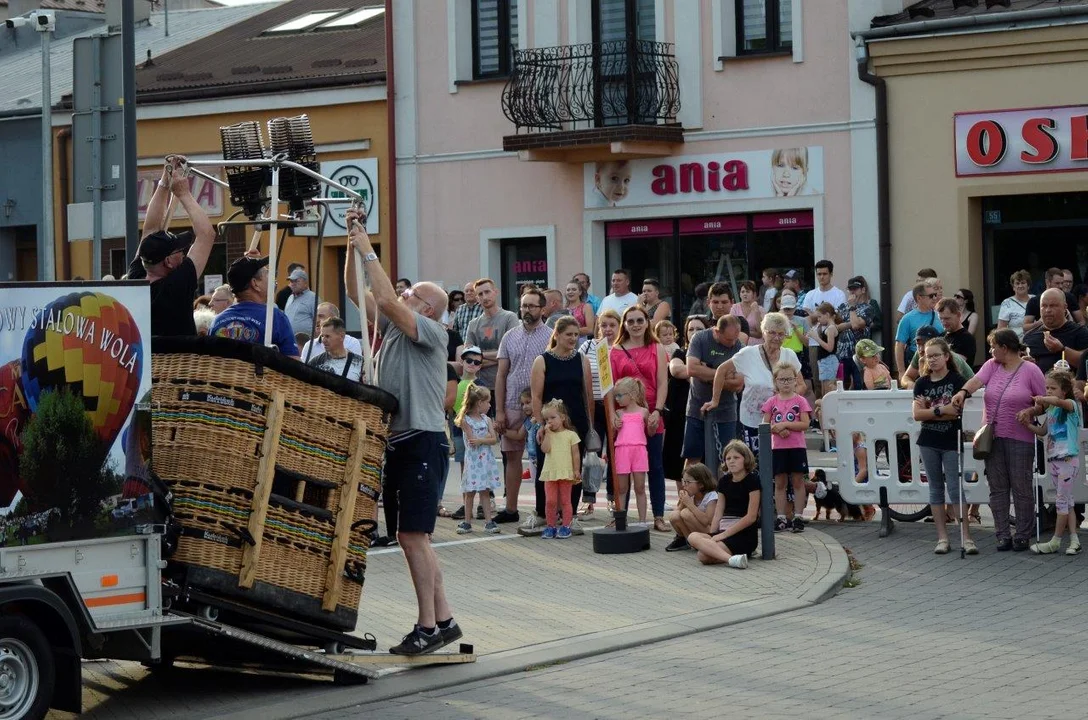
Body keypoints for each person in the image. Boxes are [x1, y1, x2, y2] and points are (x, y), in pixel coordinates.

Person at [344, 208, 459, 655]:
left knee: (413, 537)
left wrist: (368, 246)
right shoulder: (395, 326)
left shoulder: (430, 329)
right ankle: (444, 620)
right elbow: (363, 291)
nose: (404, 293)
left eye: (412, 292)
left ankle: (427, 627)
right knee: (417, 538)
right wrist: (353, 236)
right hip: (404, 440)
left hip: (423, 439)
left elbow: (387, 300)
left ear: (426, 308)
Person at [951, 329, 1046, 553]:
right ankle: (1002, 535)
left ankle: (1022, 535)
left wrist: (1031, 410)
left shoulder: (1031, 370)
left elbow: (1043, 402)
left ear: (1005, 347)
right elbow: (976, 381)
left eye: (994, 346)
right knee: (998, 488)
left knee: (1022, 487)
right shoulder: (992, 365)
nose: (991, 351)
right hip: (992, 437)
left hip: (1020, 436)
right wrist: (963, 392)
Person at [527, 317, 593, 536]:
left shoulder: (581, 359)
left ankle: (570, 517)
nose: (573, 338)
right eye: (569, 334)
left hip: (575, 425)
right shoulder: (542, 360)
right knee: (547, 470)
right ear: (557, 334)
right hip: (550, 424)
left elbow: (587, 394)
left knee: (573, 470)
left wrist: (590, 424)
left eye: (576, 334)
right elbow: (536, 397)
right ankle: (543, 515)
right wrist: (539, 424)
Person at [135, 156, 216, 336]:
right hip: (179, 362)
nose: (184, 253)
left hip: (147, 361)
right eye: (180, 250)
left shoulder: (136, 278)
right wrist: (184, 194)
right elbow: (206, 235)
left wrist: (166, 178)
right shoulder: (176, 285)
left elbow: (150, 229)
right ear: (169, 262)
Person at [702, 312, 802, 456]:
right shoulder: (748, 354)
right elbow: (721, 370)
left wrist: (786, 397)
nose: (776, 338)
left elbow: (801, 385)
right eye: (772, 333)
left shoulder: (789, 355)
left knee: (777, 466)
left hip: (781, 422)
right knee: (754, 464)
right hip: (751, 421)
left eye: (781, 334)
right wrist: (715, 400)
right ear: (763, 332)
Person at [912, 338, 975, 555]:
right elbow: (917, 414)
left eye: (937, 355)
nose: (933, 359)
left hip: (951, 439)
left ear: (946, 356)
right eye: (929, 356)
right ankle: (942, 537)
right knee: (935, 488)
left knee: (956, 488)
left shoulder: (956, 380)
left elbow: (956, 411)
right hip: (928, 441)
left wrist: (932, 413)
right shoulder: (922, 383)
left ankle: (966, 536)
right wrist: (940, 411)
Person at [493, 287, 552, 525]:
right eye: (524, 305)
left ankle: (545, 509)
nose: (527, 310)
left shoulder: (550, 336)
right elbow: (500, 375)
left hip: (541, 405)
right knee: (512, 456)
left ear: (542, 308)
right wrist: (498, 410)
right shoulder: (509, 336)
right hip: (512, 403)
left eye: (532, 306)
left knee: (543, 458)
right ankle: (511, 508)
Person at [609, 305, 670, 532]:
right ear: (624, 324)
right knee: (621, 469)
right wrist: (613, 414)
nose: (635, 325)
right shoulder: (615, 351)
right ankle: (620, 516)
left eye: (639, 320)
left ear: (647, 322)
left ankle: (659, 515)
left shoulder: (656, 348)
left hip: (652, 412)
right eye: (630, 321)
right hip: (623, 416)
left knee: (654, 465)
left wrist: (658, 411)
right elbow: (610, 388)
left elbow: (663, 381)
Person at [1025, 367, 1082, 555]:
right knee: (1068, 502)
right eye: (1046, 388)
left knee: (1061, 503)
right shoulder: (1051, 411)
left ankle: (1055, 541)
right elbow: (1042, 432)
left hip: (1068, 460)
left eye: (1052, 388)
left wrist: (1044, 400)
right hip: (1054, 461)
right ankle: (1074, 540)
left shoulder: (1070, 406)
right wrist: (1026, 423)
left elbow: (1058, 402)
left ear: (1064, 390)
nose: (1048, 391)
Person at [685, 315, 744, 477]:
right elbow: (691, 369)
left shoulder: (739, 346)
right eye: (728, 340)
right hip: (697, 408)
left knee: (727, 459)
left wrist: (707, 372)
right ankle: (687, 496)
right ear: (717, 332)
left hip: (726, 411)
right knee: (693, 457)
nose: (732, 344)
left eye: (735, 339)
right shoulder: (700, 339)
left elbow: (738, 383)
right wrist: (724, 374)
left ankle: (722, 498)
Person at [686, 440, 760, 569]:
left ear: (745, 459)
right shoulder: (724, 481)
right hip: (723, 530)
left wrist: (723, 535)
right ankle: (732, 560)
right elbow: (718, 512)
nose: (731, 461)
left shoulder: (752, 480)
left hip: (743, 533)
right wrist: (714, 534)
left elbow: (751, 517)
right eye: (728, 458)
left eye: (736, 457)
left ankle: (735, 556)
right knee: (693, 536)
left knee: (703, 556)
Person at [210, 255, 300, 358]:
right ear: (255, 284)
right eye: (267, 274)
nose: (272, 279)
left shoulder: (217, 321)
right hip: (260, 374)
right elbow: (293, 364)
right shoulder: (275, 318)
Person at [578, 309, 622, 516]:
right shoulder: (588, 346)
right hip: (592, 407)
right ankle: (589, 499)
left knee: (615, 454)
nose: (607, 329)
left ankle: (614, 499)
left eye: (612, 325)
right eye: (604, 325)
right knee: (591, 453)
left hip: (615, 408)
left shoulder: (621, 348)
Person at [761, 361, 812, 533]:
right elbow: (765, 425)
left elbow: (805, 423)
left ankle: (798, 516)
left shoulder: (800, 401)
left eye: (789, 379)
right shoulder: (771, 402)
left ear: (795, 381)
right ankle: (781, 516)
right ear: (775, 382)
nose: (786, 383)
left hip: (797, 447)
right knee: (780, 482)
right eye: (782, 380)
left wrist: (785, 425)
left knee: (798, 481)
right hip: (778, 448)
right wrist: (776, 429)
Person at [664, 316, 707, 491]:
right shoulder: (680, 353)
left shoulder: (710, 352)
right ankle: (685, 499)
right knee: (679, 459)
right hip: (680, 414)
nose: (694, 333)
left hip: (705, 412)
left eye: (699, 329)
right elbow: (675, 369)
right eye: (691, 329)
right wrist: (701, 372)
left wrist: (692, 372)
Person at [441, 345, 483, 520]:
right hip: (458, 431)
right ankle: (467, 505)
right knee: (465, 468)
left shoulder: (480, 386)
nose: (472, 364)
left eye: (476, 361)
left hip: (476, 432)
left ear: (480, 365)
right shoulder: (456, 384)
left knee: (479, 466)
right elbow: (451, 409)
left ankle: (483, 503)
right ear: (462, 362)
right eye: (468, 360)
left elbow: (484, 409)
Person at [454, 385, 501, 535]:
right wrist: (485, 438)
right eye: (488, 402)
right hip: (473, 462)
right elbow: (471, 441)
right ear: (479, 403)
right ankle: (467, 521)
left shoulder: (486, 419)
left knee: (485, 491)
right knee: (470, 492)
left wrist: (483, 439)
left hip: (485, 461)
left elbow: (494, 439)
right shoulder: (465, 420)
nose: (489, 405)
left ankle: (489, 521)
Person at [464, 279, 519, 404]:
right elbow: (469, 357)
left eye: (487, 292)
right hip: (480, 388)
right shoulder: (473, 324)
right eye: (480, 294)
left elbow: (512, 353)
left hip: (506, 385)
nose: (484, 297)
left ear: (495, 292)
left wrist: (480, 357)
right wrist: (500, 357)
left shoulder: (509, 318)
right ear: (477, 298)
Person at [801, 260, 847, 397]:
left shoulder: (838, 294)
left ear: (831, 274)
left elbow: (838, 318)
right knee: (817, 380)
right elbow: (808, 319)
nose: (821, 277)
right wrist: (818, 317)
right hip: (815, 342)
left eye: (825, 274)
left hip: (832, 343)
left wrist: (815, 315)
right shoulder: (810, 295)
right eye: (819, 274)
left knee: (833, 382)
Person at [538, 399, 582, 539]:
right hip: (550, 471)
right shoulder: (548, 434)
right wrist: (547, 434)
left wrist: (576, 470)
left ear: (562, 417)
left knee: (565, 501)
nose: (549, 421)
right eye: (546, 419)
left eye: (553, 417)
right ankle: (550, 526)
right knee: (550, 501)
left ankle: (566, 526)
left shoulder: (571, 435)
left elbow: (576, 454)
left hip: (565, 471)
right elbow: (545, 449)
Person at [610, 376, 650, 525]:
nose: (617, 399)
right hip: (622, 451)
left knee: (640, 487)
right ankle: (620, 519)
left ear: (631, 395)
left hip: (639, 450)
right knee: (622, 488)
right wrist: (616, 426)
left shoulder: (644, 412)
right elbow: (613, 433)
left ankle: (642, 520)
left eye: (620, 395)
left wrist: (653, 423)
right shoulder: (619, 413)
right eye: (616, 396)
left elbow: (651, 431)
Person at [1021, 288, 1088, 375]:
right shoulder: (1029, 336)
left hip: (1069, 386)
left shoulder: (1080, 332)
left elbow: (1085, 364)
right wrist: (1022, 364)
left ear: (1065, 308)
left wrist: (1061, 350)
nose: (1048, 310)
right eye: (1044, 306)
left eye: (1053, 305)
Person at [664, 463, 719, 552]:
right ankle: (687, 541)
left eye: (688, 482)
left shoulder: (711, 496)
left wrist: (690, 504)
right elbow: (676, 514)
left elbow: (706, 521)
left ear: (701, 484)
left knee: (686, 513)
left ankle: (699, 543)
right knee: (675, 515)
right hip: (695, 530)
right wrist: (683, 501)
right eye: (683, 481)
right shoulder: (691, 495)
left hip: (709, 532)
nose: (684, 485)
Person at [901, 325, 975, 389]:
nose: (921, 349)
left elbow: (945, 386)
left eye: (924, 344)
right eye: (918, 344)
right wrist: (910, 384)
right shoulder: (919, 353)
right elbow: (906, 377)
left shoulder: (950, 358)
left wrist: (922, 377)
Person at [894, 282, 943, 377]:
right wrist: (901, 372)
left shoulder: (940, 315)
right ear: (919, 298)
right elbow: (899, 345)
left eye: (935, 295)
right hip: (916, 364)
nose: (934, 298)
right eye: (931, 296)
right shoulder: (907, 318)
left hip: (939, 363)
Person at [836, 276, 875, 389]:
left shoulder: (868, 308)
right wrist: (848, 324)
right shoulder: (842, 307)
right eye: (850, 289)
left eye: (855, 289)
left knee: (859, 385)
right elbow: (835, 327)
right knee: (841, 386)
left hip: (860, 356)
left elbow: (856, 325)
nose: (852, 292)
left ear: (863, 290)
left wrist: (852, 308)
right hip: (842, 355)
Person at [307, 317, 363, 382]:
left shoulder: (360, 362)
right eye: (322, 336)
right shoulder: (315, 363)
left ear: (341, 336)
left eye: (327, 336)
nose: (323, 340)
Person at [809, 302, 841, 399]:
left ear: (827, 315)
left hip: (829, 361)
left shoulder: (831, 328)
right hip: (825, 361)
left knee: (829, 391)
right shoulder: (827, 327)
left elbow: (830, 348)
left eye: (819, 317)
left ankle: (830, 412)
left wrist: (816, 337)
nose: (818, 320)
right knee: (824, 391)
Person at [939, 298, 977, 366]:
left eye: (947, 318)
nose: (943, 322)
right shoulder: (941, 336)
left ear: (958, 315)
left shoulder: (966, 338)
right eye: (941, 318)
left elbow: (956, 365)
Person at [997, 270, 1033, 340]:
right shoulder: (1007, 303)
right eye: (1017, 283)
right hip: (1015, 345)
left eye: (1023, 283)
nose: (1020, 285)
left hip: (1035, 342)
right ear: (1013, 287)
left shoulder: (1036, 300)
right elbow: (1001, 329)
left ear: (1028, 286)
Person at [284, 267, 317, 338]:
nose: (293, 284)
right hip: (290, 341)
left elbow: (319, 322)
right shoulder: (290, 298)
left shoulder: (313, 298)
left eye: (296, 281)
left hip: (307, 343)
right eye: (291, 281)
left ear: (305, 283)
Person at [733, 281, 765, 345]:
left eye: (748, 292)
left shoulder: (760, 309)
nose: (745, 294)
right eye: (742, 292)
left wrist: (756, 312)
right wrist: (753, 333)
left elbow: (761, 332)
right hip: (738, 343)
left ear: (754, 294)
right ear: (740, 294)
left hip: (757, 345)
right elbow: (732, 328)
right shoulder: (734, 307)